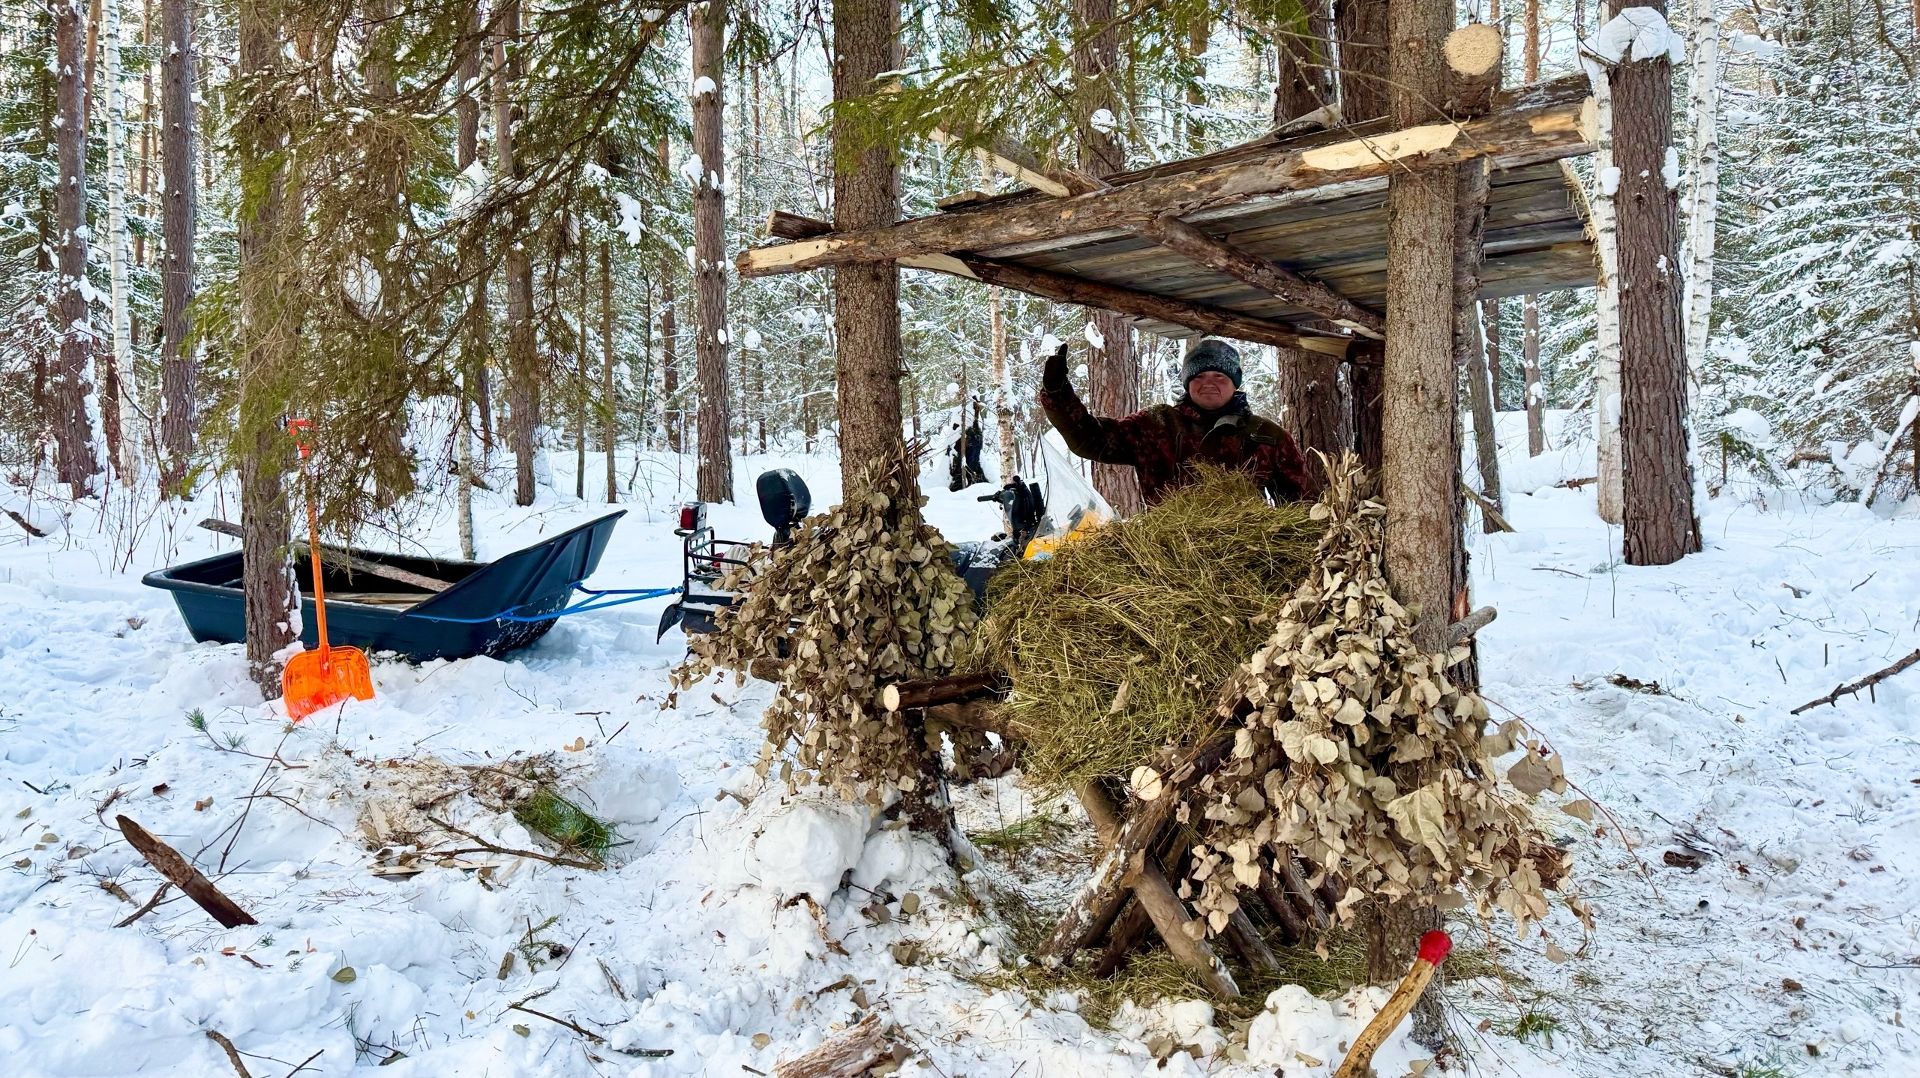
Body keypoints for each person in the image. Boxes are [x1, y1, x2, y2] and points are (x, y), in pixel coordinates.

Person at [1038, 338, 1311, 506]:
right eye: (1199, 376)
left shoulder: (1266, 436)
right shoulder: (1156, 424)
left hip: (1244, 557)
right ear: (1187, 382)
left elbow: (1300, 504)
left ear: (1235, 382)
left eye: (1219, 376)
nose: (1209, 383)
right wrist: (1057, 393)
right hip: (1167, 558)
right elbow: (1091, 440)